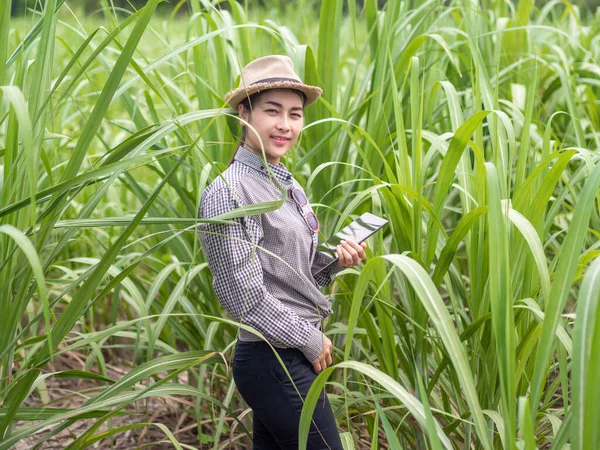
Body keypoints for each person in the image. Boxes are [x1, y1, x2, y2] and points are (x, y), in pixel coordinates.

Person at [197, 55, 367, 449]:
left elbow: (293, 274)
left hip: (291, 356)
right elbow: (244, 299)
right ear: (244, 113)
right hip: (274, 358)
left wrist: (335, 262)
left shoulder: (287, 184)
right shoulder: (229, 193)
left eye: (295, 114)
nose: (285, 125)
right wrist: (309, 339)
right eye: (272, 111)